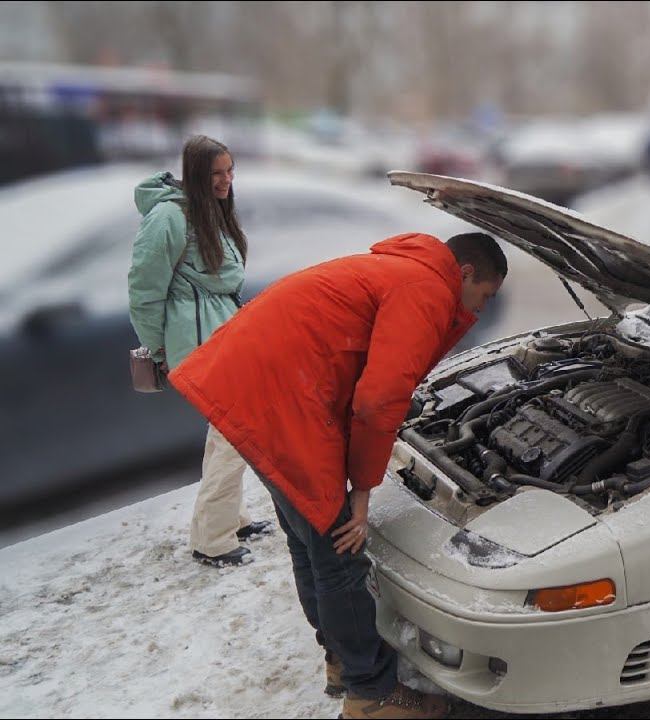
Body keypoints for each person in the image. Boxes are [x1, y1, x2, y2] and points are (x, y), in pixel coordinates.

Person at [169, 231, 507, 719]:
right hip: (284, 399)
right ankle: (371, 694)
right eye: (485, 295)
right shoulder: (427, 288)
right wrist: (362, 491)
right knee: (339, 550)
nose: (480, 308)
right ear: (467, 272)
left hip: (254, 385)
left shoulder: (400, 268)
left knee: (308, 540)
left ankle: (343, 660)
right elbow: (377, 400)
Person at [128, 134, 272, 569]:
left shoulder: (208, 211)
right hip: (197, 344)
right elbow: (143, 292)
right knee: (237, 433)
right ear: (194, 174)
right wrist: (159, 349)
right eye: (216, 174)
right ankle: (212, 540)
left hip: (221, 336)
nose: (226, 180)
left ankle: (230, 519)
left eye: (230, 171)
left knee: (226, 434)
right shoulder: (169, 218)